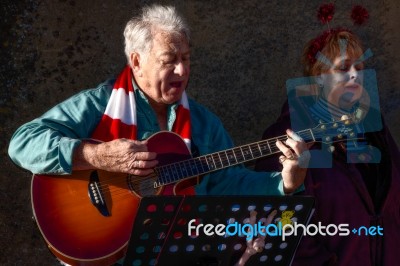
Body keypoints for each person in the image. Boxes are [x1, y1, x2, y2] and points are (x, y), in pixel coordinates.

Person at [8, 4, 308, 265]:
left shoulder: (205, 124)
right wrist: (97, 155)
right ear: (137, 62)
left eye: (187, 58)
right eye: (169, 60)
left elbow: (229, 183)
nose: (181, 70)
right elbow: (22, 143)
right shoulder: (98, 104)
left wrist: (285, 182)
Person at [255, 28, 400, 266]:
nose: (355, 75)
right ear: (319, 77)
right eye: (343, 68)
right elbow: (278, 220)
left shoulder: (375, 131)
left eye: (360, 68)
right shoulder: (287, 137)